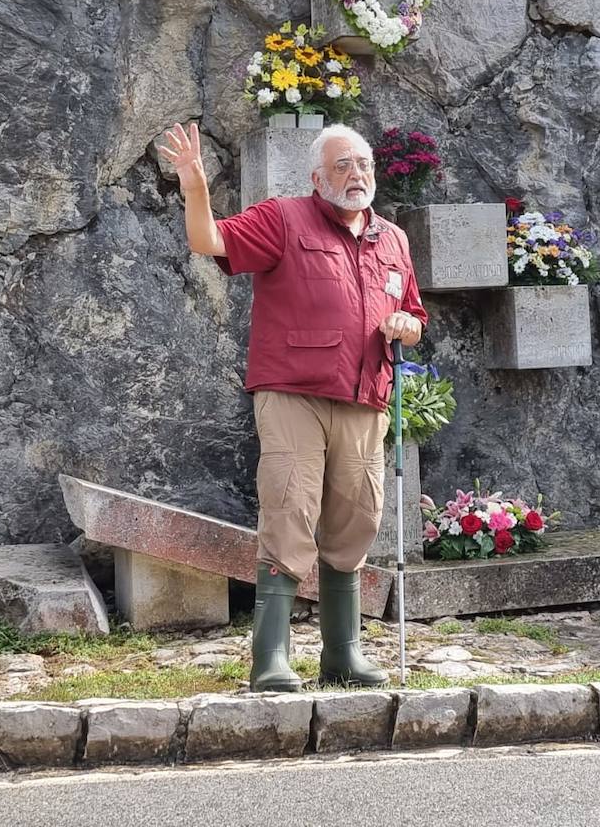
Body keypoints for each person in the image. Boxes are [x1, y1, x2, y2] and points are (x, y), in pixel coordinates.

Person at [158, 120, 427, 691]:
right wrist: (195, 185)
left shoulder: (393, 239)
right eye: (342, 166)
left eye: (363, 165)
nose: (356, 175)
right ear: (316, 177)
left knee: (358, 517)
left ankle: (342, 655)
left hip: (364, 398)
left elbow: (413, 317)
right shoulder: (283, 217)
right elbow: (209, 241)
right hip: (292, 394)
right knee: (289, 510)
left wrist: (406, 326)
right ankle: (271, 659)